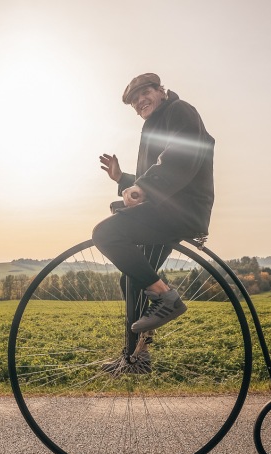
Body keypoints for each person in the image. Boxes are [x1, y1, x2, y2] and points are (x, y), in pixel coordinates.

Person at [92, 73, 215, 365]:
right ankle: (137, 356)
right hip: (167, 210)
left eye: (143, 94)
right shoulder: (154, 126)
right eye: (134, 101)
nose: (139, 102)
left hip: (179, 211)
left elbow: (181, 157)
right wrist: (124, 179)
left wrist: (144, 187)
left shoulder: (179, 111)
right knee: (132, 281)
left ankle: (165, 297)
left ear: (160, 90)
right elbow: (150, 183)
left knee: (105, 234)